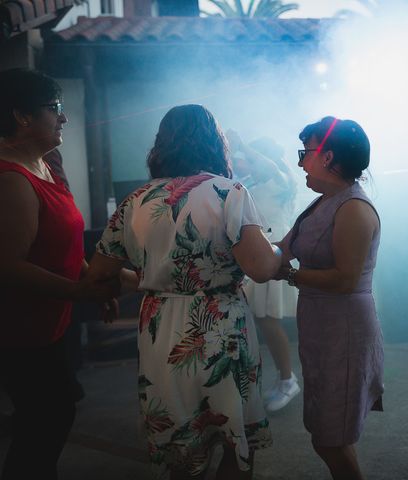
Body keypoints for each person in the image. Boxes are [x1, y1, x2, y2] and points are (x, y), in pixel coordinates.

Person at [86, 104, 281, 480]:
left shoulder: (135, 201)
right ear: (215, 143)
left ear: (161, 145)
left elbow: (98, 274)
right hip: (220, 325)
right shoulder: (229, 193)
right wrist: (280, 250)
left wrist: (149, 279)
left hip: (160, 331)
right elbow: (260, 269)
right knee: (231, 440)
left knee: (180, 446)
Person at [0, 68, 117, 480]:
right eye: (56, 108)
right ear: (22, 117)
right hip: (22, 329)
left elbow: (63, 241)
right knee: (43, 423)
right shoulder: (11, 179)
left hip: (53, 320)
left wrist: (92, 281)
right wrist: (79, 292)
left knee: (56, 411)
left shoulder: (47, 162)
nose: (64, 118)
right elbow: (9, 266)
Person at [275, 116, 384, 480]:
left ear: (328, 157)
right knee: (326, 430)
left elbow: (344, 278)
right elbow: (283, 249)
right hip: (321, 326)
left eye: (305, 152)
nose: (300, 162)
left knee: (330, 438)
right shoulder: (321, 203)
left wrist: (287, 274)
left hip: (345, 328)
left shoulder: (353, 208)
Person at [227, 130, 300, 412]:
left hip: (273, 252)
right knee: (261, 319)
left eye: (247, 158)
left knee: (267, 319)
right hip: (259, 253)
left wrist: (243, 144)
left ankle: (288, 379)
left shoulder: (278, 177)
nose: (243, 162)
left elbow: (267, 168)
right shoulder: (253, 182)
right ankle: (281, 378)